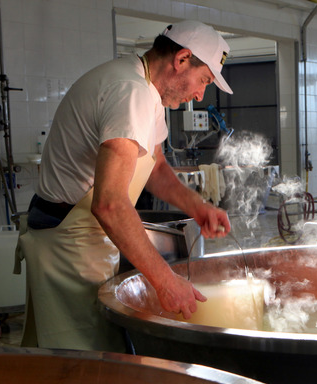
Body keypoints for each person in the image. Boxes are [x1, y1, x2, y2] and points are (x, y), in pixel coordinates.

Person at [15, 20, 233, 352]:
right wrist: (165, 281)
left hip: (86, 233)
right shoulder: (129, 90)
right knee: (85, 359)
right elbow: (111, 204)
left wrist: (197, 206)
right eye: (203, 80)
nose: (200, 95)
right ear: (182, 59)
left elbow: (156, 166)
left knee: (65, 352)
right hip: (70, 241)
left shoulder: (147, 90)